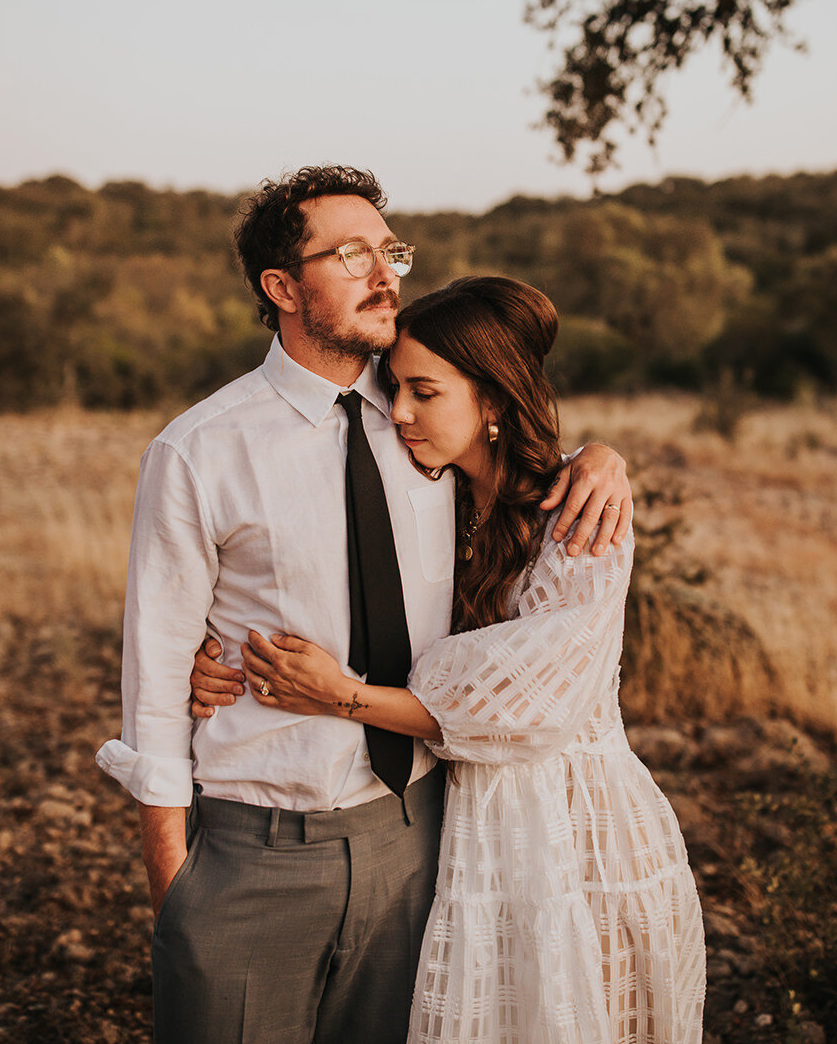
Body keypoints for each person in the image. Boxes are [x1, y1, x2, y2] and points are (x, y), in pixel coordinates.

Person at [95, 166, 632, 1044]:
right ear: (282, 288)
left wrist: (606, 456)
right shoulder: (198, 452)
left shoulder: (424, 407)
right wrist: (174, 879)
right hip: (251, 849)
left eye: (390, 251)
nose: (385, 273)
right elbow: (155, 672)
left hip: (422, 840)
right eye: (350, 255)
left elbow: (523, 451)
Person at [198, 275, 706, 1044]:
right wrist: (218, 650)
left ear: (494, 400)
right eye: (395, 388)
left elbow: (523, 710)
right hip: (463, 824)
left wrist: (341, 696)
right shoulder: (430, 491)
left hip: (571, 831)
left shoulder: (578, 521)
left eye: (423, 392)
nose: (397, 412)